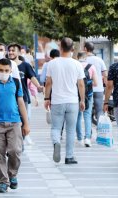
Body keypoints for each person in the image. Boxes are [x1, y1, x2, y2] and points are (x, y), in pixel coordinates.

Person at [0, 58, 30, 193]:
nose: (3, 73)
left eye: (6, 70)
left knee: (15, 150)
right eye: (1, 70)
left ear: (11, 70)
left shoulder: (15, 82)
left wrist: (26, 123)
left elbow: (21, 103)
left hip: (14, 122)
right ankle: (3, 182)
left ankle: (13, 174)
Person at [44, 37, 85, 165]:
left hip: (57, 101)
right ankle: (69, 156)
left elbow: (48, 83)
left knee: (56, 127)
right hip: (72, 101)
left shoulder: (52, 63)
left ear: (60, 48)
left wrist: (46, 98)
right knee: (71, 129)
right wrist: (82, 100)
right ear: (72, 49)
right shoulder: (77, 64)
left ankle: (56, 142)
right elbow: (81, 84)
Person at [8, 43, 43, 145]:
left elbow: (32, 77)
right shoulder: (5, 65)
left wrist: (38, 86)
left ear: (19, 52)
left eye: (13, 50)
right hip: (8, 98)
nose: (10, 52)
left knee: (24, 119)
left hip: (23, 97)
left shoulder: (25, 65)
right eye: (9, 50)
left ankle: (24, 137)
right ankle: (14, 141)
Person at [76, 52, 98, 147]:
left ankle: (80, 138)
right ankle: (87, 138)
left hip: (76, 95)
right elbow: (96, 83)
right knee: (87, 116)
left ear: (77, 57)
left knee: (77, 116)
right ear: (86, 57)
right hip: (88, 94)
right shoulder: (91, 66)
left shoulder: (75, 65)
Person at [84, 42, 107, 122]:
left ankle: (88, 132)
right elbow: (105, 74)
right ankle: (100, 131)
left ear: (85, 49)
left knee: (87, 112)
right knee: (99, 111)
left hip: (86, 89)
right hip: (98, 89)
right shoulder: (99, 60)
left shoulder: (83, 60)